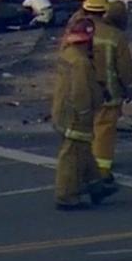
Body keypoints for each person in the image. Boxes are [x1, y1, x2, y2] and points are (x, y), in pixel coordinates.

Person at [52, 18, 116, 211]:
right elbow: (80, 91)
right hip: (76, 115)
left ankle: (96, 187)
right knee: (71, 155)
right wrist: (85, 112)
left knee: (83, 150)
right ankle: (66, 196)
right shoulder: (80, 62)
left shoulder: (68, 55)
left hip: (63, 110)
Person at [91, 0, 132, 184]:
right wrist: (130, 89)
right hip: (109, 95)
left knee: (87, 131)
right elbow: (125, 69)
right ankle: (101, 172)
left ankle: (86, 166)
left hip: (83, 92)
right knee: (104, 133)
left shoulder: (82, 30)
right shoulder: (116, 38)